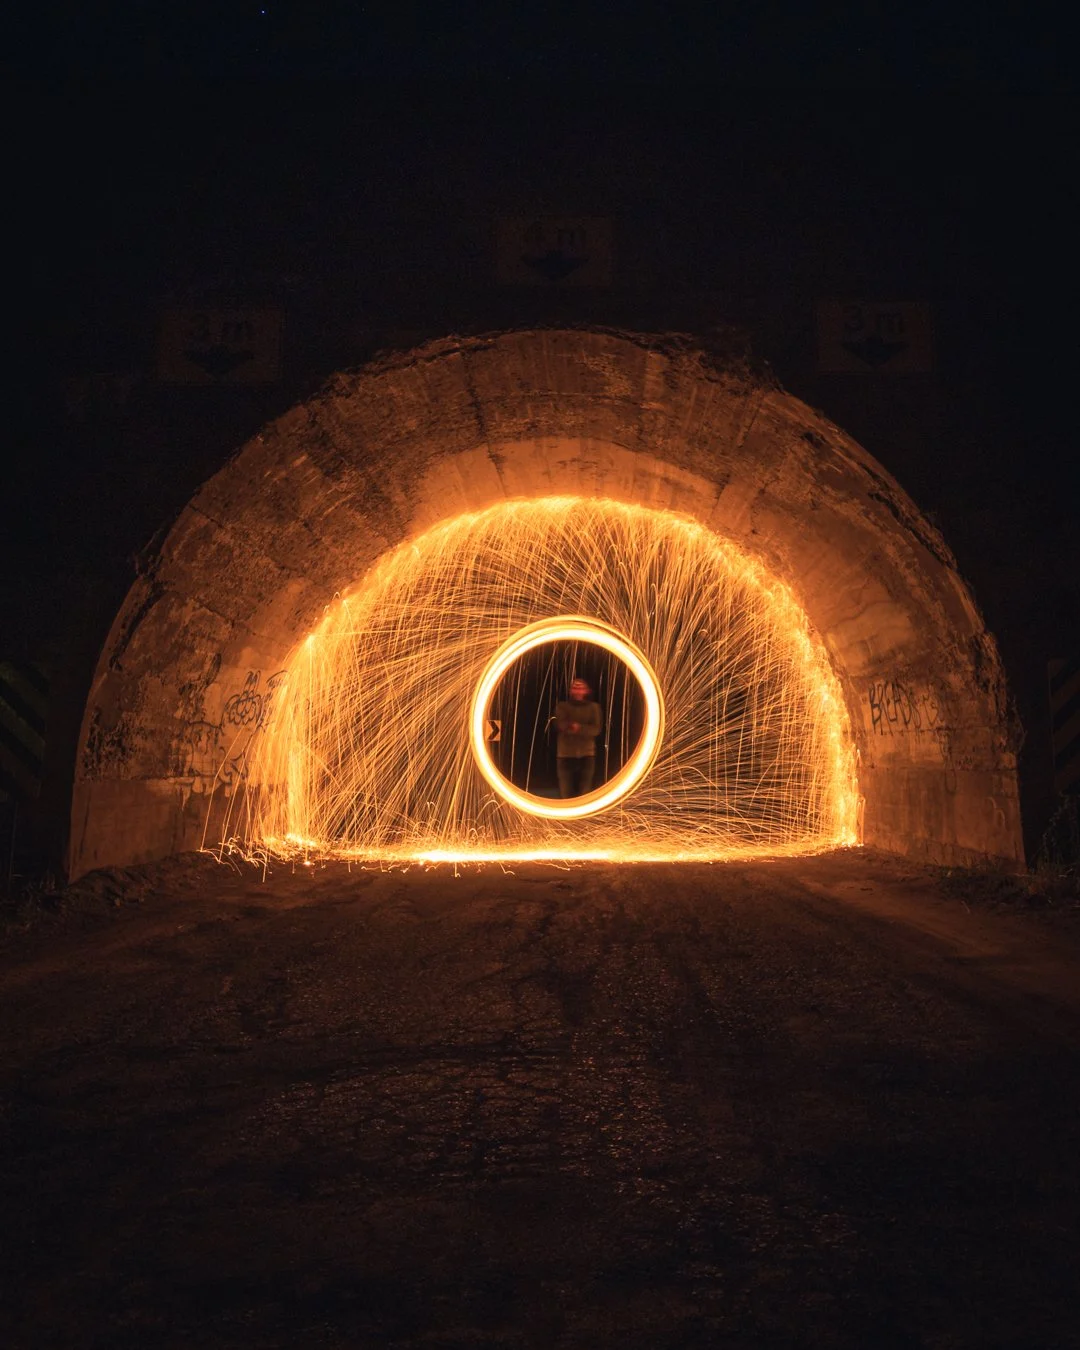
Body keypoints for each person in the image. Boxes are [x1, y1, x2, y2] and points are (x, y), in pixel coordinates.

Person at [554, 677, 603, 798]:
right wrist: (573, 727)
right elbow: (559, 724)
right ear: (570, 691)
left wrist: (578, 728)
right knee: (566, 792)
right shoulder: (562, 706)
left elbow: (596, 729)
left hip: (587, 754)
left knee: (584, 793)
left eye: (580, 687)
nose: (577, 689)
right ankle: (566, 816)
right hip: (565, 754)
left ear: (586, 691)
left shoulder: (594, 708)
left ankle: (582, 817)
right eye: (575, 687)